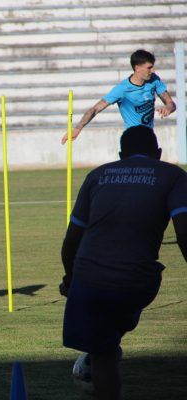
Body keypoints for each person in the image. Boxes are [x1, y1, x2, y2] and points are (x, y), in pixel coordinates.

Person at [59, 125, 187, 399]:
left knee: (102, 345)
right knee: (108, 335)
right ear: (159, 153)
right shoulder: (173, 176)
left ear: (120, 154)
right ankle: (104, 351)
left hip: (89, 278)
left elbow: (71, 239)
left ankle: (101, 355)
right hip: (136, 280)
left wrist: (70, 279)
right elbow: (184, 231)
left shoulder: (97, 176)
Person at [61, 49, 176, 144]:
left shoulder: (154, 80)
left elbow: (171, 104)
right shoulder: (122, 89)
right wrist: (78, 128)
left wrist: (168, 108)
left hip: (150, 138)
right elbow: (95, 109)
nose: (153, 70)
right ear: (137, 68)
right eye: (149, 67)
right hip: (132, 140)